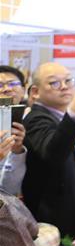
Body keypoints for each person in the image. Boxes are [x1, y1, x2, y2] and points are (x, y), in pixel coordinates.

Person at [22, 62, 75, 239]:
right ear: (35, 92)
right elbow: (53, 153)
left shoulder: (61, 117)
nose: (64, 87)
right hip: (57, 222)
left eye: (68, 80)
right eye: (54, 83)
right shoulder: (36, 119)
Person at [0, 65, 27, 196]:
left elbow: (10, 189)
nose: (6, 89)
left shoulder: (32, 119)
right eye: (0, 85)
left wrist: (17, 150)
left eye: (12, 84)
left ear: (23, 90)